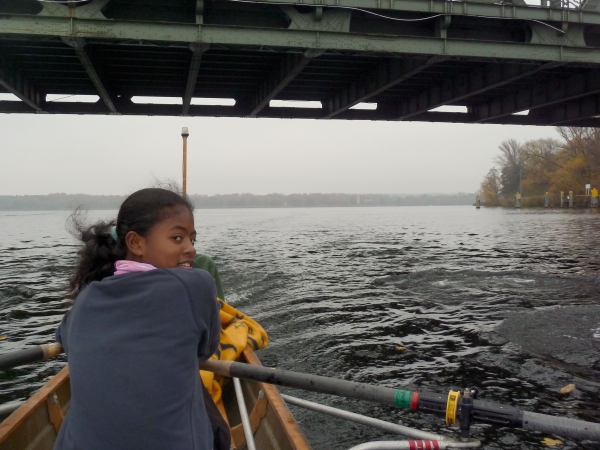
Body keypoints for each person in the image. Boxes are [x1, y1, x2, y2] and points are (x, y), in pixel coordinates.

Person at [54, 188, 229, 450]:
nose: (191, 249)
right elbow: (205, 350)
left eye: (192, 239)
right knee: (215, 426)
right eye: (177, 237)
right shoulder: (196, 285)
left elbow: (64, 337)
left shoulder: (88, 296)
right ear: (136, 243)